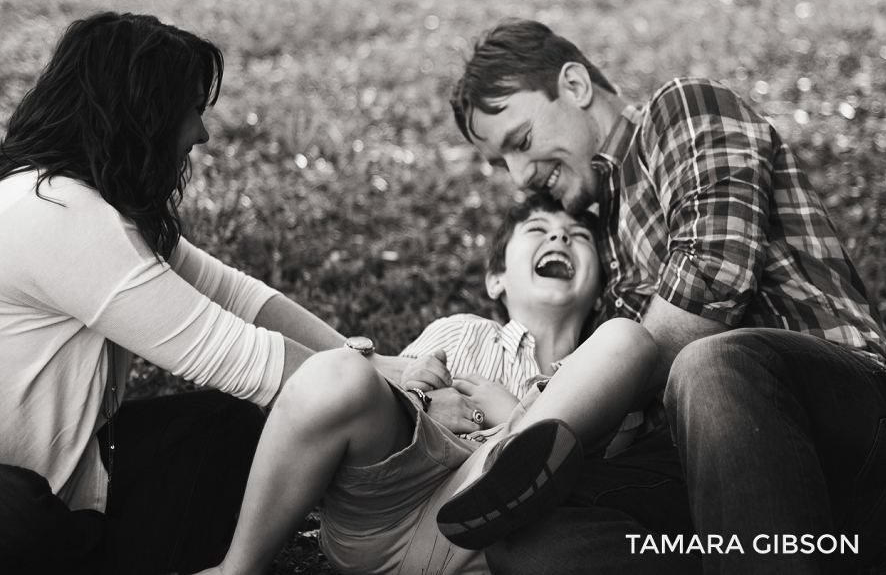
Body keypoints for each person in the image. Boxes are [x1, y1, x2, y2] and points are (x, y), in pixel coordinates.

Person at [449, 19, 886, 575]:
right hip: (722, 490)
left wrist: (555, 406)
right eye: (501, 164)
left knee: (710, 362)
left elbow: (715, 279)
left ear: (575, 86)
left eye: (520, 142)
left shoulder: (678, 111)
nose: (518, 177)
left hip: (850, 430)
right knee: (534, 541)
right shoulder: (602, 244)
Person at [0, 12, 412, 575]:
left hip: (68, 480)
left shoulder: (92, 202)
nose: (202, 132)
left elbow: (237, 297)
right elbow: (242, 358)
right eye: (192, 108)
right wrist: (410, 406)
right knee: (21, 520)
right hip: (18, 502)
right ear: (142, 116)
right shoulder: (57, 215)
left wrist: (373, 363)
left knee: (222, 426)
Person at [196, 192, 681, 575]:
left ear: (599, 284)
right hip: (399, 503)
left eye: (578, 237)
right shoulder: (464, 330)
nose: (559, 239)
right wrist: (422, 391)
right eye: (539, 230)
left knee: (630, 339)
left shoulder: (606, 372)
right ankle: (236, 568)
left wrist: (512, 408)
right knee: (337, 371)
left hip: (506, 539)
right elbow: (395, 404)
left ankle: (511, 461)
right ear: (496, 279)